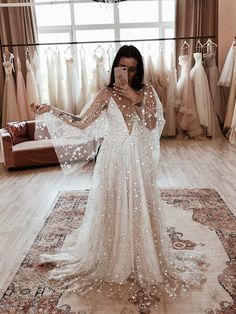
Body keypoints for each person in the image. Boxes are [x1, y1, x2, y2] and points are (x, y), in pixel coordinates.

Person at [31, 45, 207, 310]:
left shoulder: (146, 92)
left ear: (139, 70)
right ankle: (114, 255)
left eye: (132, 68)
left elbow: (152, 124)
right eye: (122, 67)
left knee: (139, 203)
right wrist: (51, 109)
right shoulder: (105, 94)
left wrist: (136, 99)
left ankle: (142, 254)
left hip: (136, 159)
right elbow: (81, 122)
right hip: (112, 159)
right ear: (115, 67)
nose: (127, 73)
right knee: (113, 204)